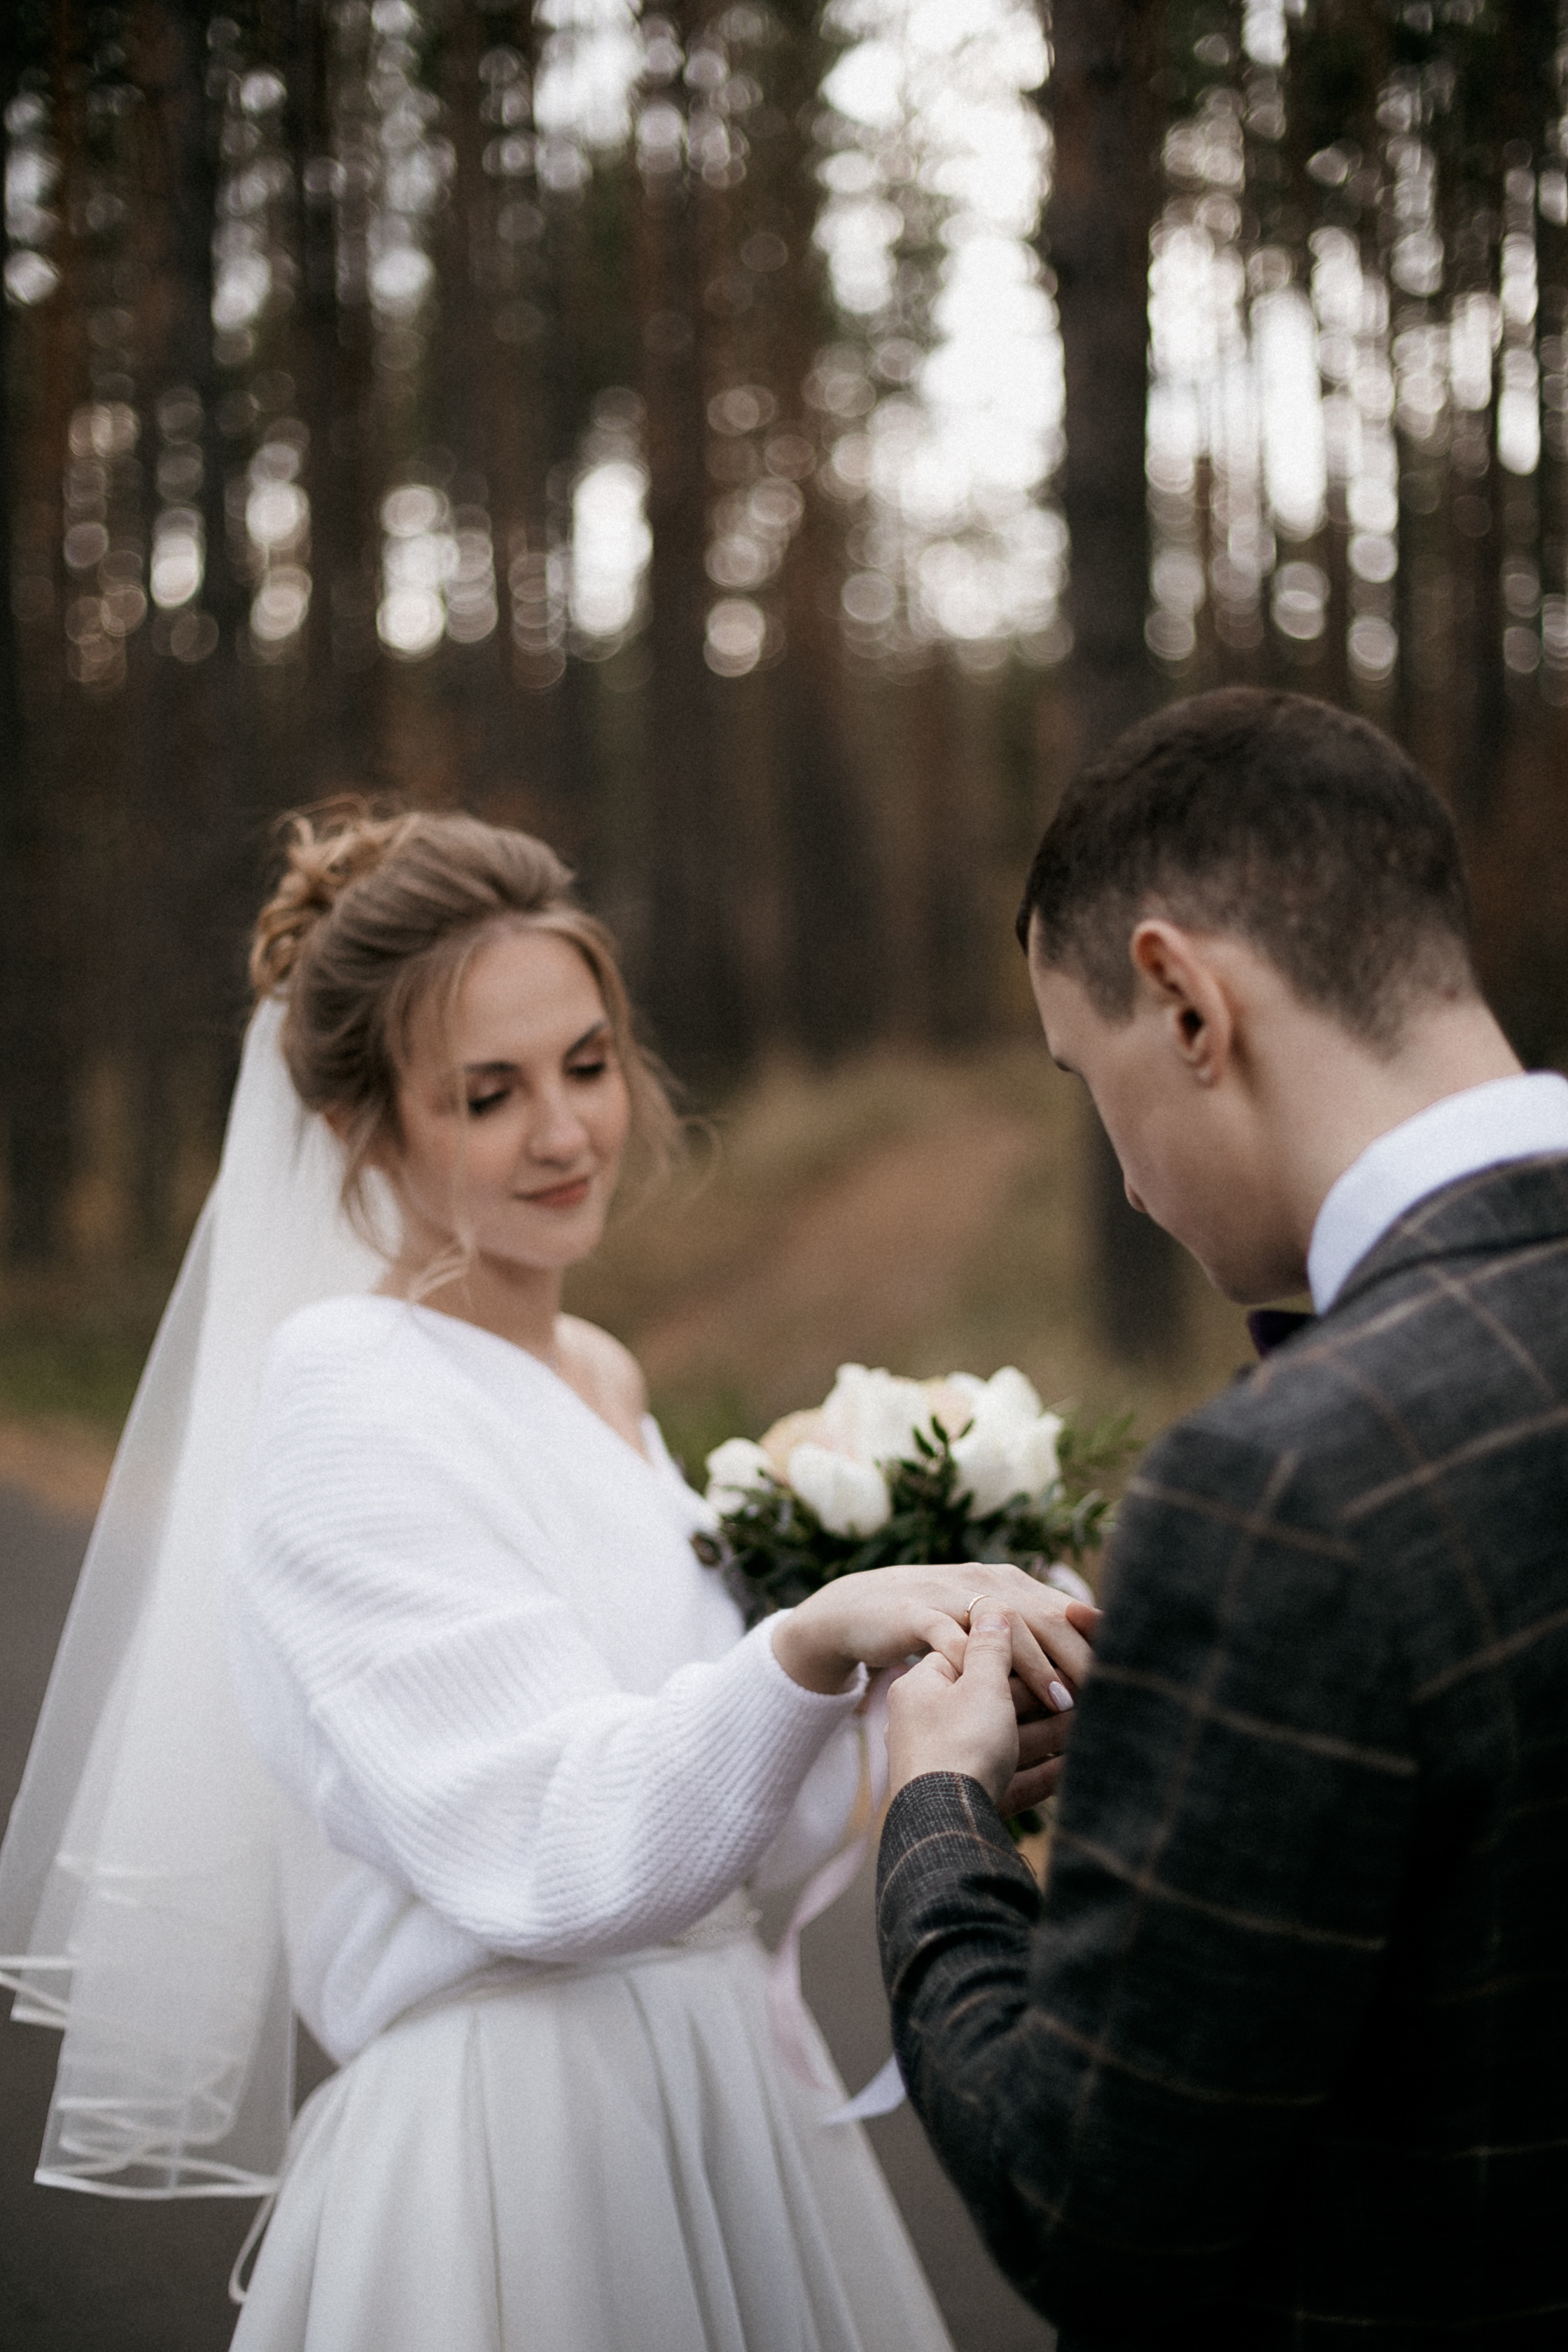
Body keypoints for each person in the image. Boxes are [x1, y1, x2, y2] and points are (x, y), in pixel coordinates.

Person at [0, 806, 1091, 2352]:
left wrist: (927, 1728)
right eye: (486, 1095)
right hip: (516, 2149)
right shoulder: (347, 1395)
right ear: (368, 1130)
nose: (566, 1131)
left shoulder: (606, 1377)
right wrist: (809, 1636)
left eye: (585, 1063)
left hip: (726, 2099)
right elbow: (553, 1845)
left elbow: (721, 1843)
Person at [875, 687, 1568, 2349]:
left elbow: (1085, 2204)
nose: (1121, 1176)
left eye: (1084, 1072)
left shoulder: (1283, 1491)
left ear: (1185, 1005)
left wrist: (939, 1815)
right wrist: (1224, 1741)